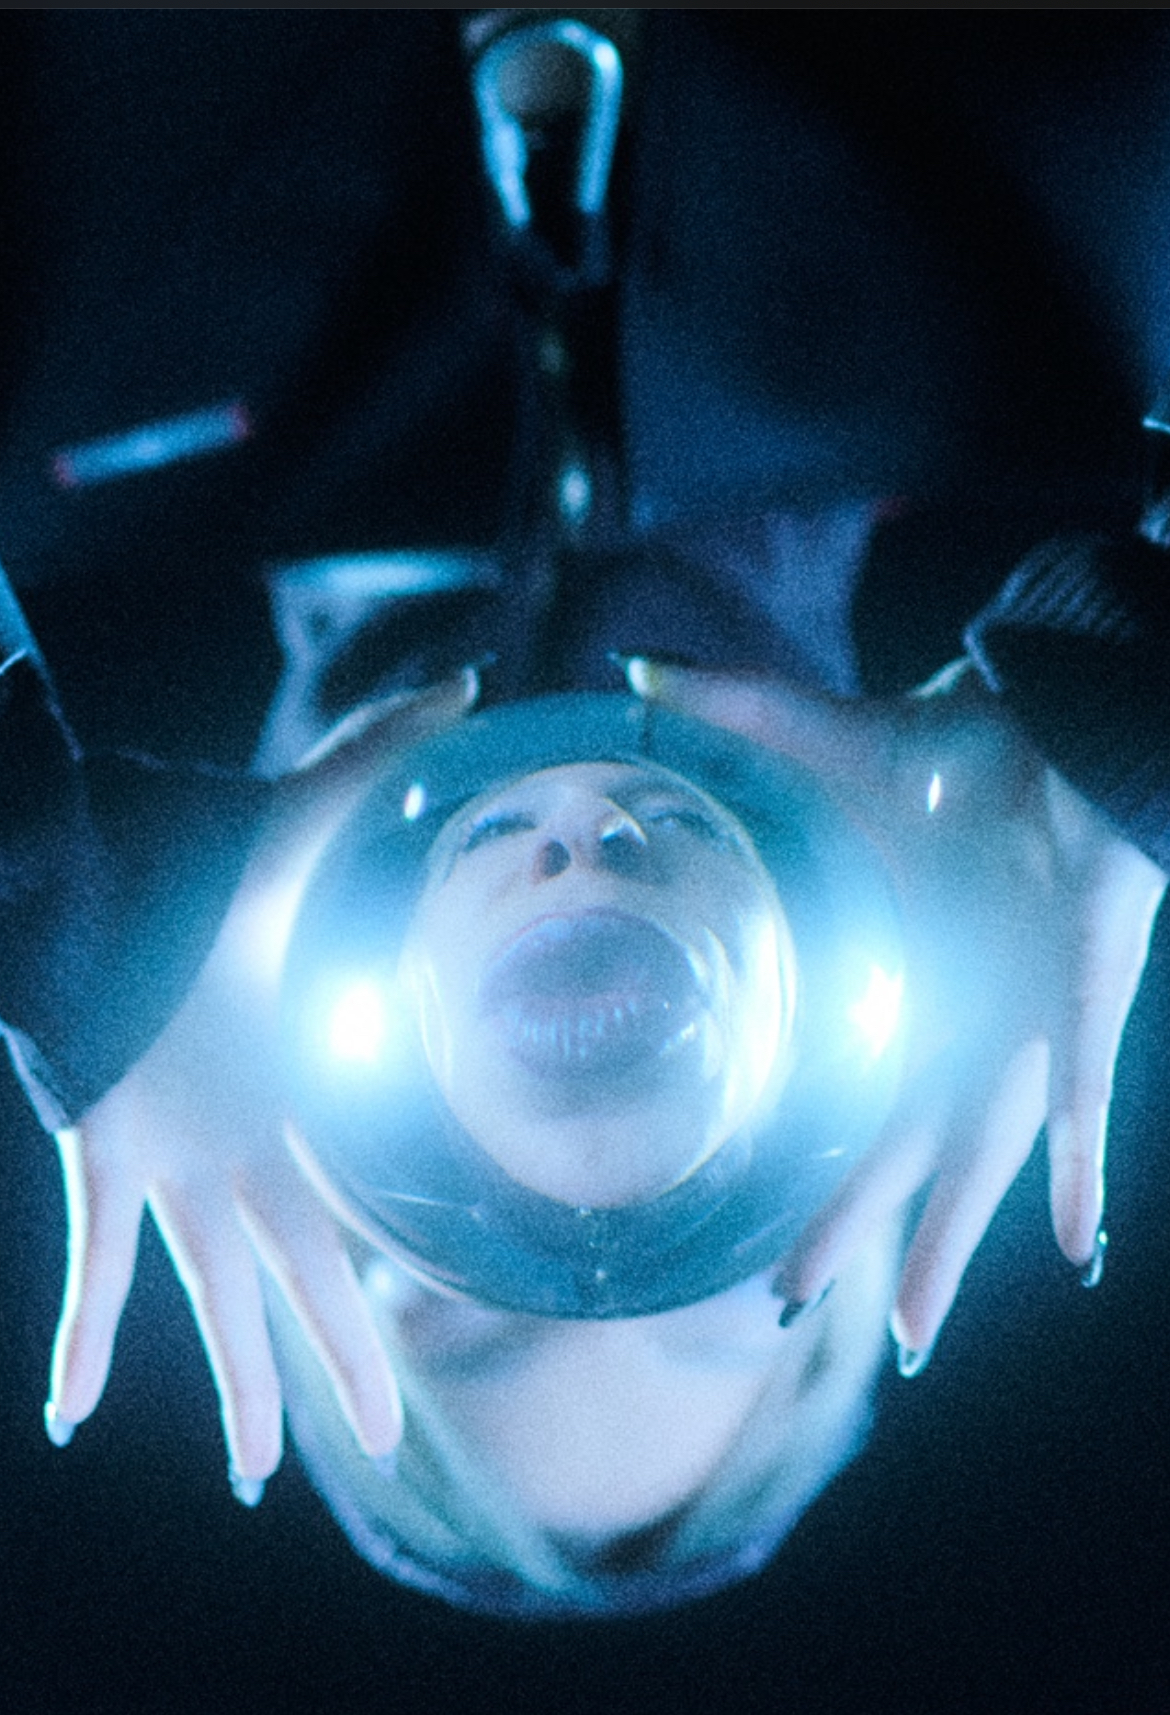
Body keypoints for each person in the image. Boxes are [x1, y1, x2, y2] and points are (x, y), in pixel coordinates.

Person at [0, 11, 1167, 1610]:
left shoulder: (47, 401)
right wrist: (1131, 678)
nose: (585, 1184)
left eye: (448, 1294)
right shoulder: (1077, 343)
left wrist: (24, 861)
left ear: (259, 1121)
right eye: (732, 1283)